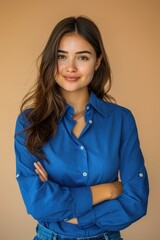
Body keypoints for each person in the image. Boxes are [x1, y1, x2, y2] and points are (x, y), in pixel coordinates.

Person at [14, 16, 149, 240]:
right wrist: (109, 190)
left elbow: (136, 201)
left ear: (97, 61)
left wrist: (76, 214)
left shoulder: (121, 120)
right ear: (51, 60)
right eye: (61, 56)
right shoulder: (29, 122)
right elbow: (38, 204)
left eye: (83, 57)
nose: (71, 67)